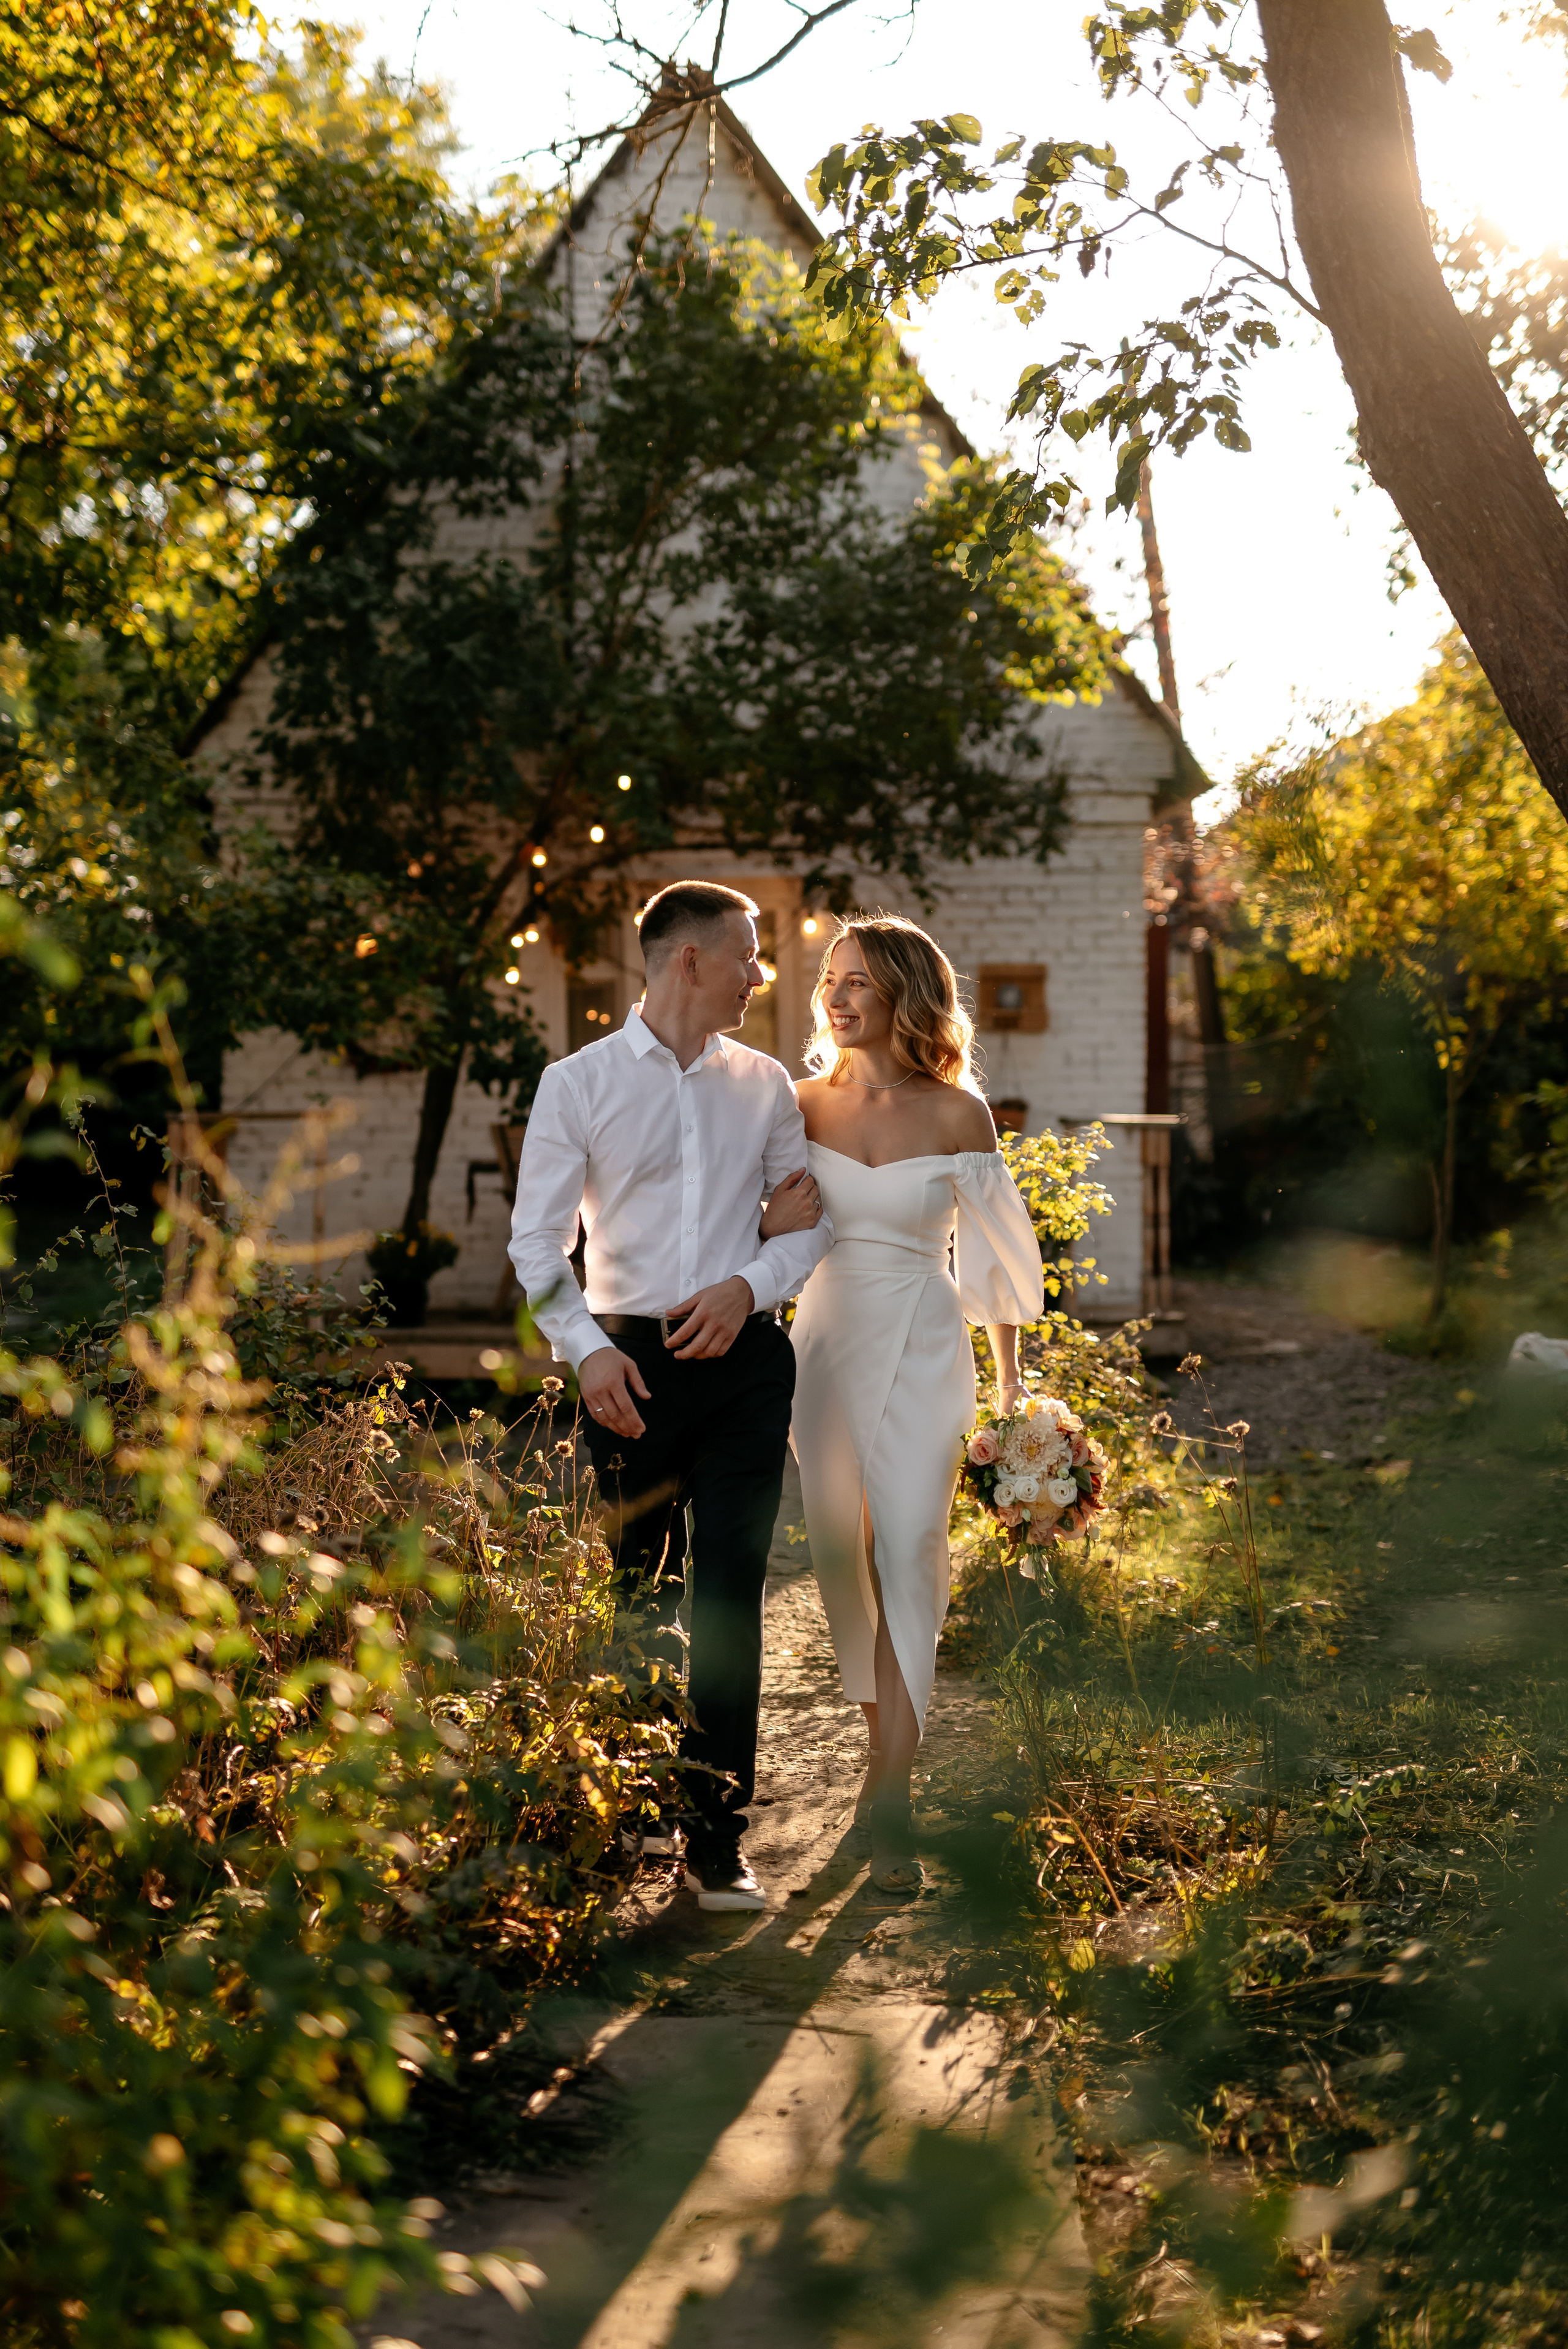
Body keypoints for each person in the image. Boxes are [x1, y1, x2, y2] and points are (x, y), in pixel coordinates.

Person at [508, 880, 831, 1912]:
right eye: (747, 954)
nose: (759, 973)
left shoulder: (769, 1084)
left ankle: (716, 1836)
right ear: (688, 959)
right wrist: (584, 1349)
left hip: (745, 1363)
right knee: (635, 1592)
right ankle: (624, 1813)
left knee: (730, 1595)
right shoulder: (577, 1082)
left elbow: (809, 1225)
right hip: (627, 1369)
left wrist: (752, 1285)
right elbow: (536, 1241)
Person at [761, 913, 1044, 1892]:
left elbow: (998, 1261)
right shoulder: (792, 1104)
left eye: (857, 984)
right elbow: (747, 1223)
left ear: (904, 996)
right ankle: (882, 1754)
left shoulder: (959, 1113)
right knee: (846, 1555)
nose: (835, 998)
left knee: (914, 1545)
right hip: (826, 1341)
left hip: (928, 1339)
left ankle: (892, 1797)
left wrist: (1012, 1397)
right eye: (829, 982)